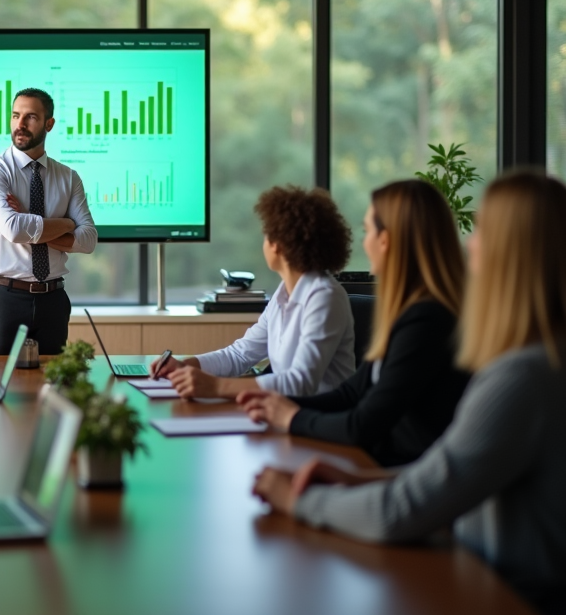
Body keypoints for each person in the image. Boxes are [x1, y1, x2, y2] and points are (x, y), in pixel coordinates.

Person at [252, 170, 566, 615]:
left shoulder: (521, 379)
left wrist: (300, 500)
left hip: (506, 596)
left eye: (481, 230)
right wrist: (357, 480)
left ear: (512, 254)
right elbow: (450, 473)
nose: (469, 243)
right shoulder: (538, 362)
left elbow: (400, 511)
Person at [238, 180, 470, 466]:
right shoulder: (413, 312)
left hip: (401, 474)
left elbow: (362, 424)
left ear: (385, 241)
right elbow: (351, 393)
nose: (364, 241)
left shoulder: (427, 321)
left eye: (367, 230)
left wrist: (291, 416)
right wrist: (276, 406)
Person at [154, 185, 356, 399]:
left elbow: (301, 382)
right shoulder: (284, 293)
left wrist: (216, 387)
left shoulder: (325, 296)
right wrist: (184, 366)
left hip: (322, 419)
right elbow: (239, 356)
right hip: (286, 412)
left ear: (277, 244)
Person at [0, 87, 97, 355]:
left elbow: (88, 240)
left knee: (52, 385)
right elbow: (14, 229)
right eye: (15, 115)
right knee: (0, 385)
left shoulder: (68, 177)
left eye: (30, 117)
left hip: (53, 300)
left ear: (49, 124)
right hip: (4, 298)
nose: (20, 124)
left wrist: (34, 222)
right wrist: (66, 223)